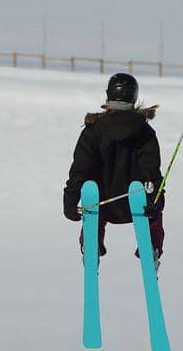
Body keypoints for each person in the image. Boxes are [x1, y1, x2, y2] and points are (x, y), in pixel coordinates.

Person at [63, 72, 165, 267]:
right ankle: (151, 247)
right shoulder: (144, 131)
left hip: (101, 204)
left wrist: (70, 200)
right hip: (136, 203)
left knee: (92, 199)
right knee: (152, 215)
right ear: (134, 97)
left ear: (108, 95)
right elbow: (151, 170)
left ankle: (91, 244)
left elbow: (80, 169)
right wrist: (158, 200)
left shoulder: (93, 130)